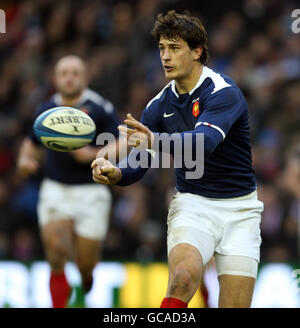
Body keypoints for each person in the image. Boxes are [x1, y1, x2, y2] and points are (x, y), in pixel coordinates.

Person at [91, 10, 264, 308]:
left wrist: (154, 140)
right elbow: (139, 163)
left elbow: (204, 143)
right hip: (193, 204)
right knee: (183, 277)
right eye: (161, 48)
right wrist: (116, 172)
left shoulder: (223, 92)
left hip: (241, 211)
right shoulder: (157, 106)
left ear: (197, 52)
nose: (165, 57)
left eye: (174, 48)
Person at [17, 55, 120, 308]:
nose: (70, 77)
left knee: (85, 265)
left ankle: (86, 276)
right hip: (56, 189)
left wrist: (94, 154)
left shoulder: (100, 108)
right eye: (64, 73)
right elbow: (30, 144)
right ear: (55, 78)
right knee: (56, 251)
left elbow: (124, 143)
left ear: (84, 78)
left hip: (92, 192)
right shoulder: (46, 109)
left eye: (75, 72)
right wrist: (25, 161)